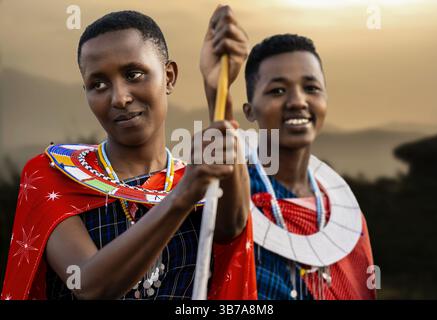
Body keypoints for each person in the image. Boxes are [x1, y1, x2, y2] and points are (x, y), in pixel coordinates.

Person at [1, 7, 257, 300]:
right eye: (98, 84)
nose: (119, 97)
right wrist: (184, 194)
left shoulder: (197, 179)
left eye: (134, 74)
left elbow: (232, 228)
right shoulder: (54, 175)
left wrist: (217, 94)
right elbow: (88, 285)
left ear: (169, 77)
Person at [242, 34, 376, 300]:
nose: (298, 101)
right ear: (249, 111)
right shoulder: (232, 198)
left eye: (311, 88)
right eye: (278, 91)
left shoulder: (346, 215)